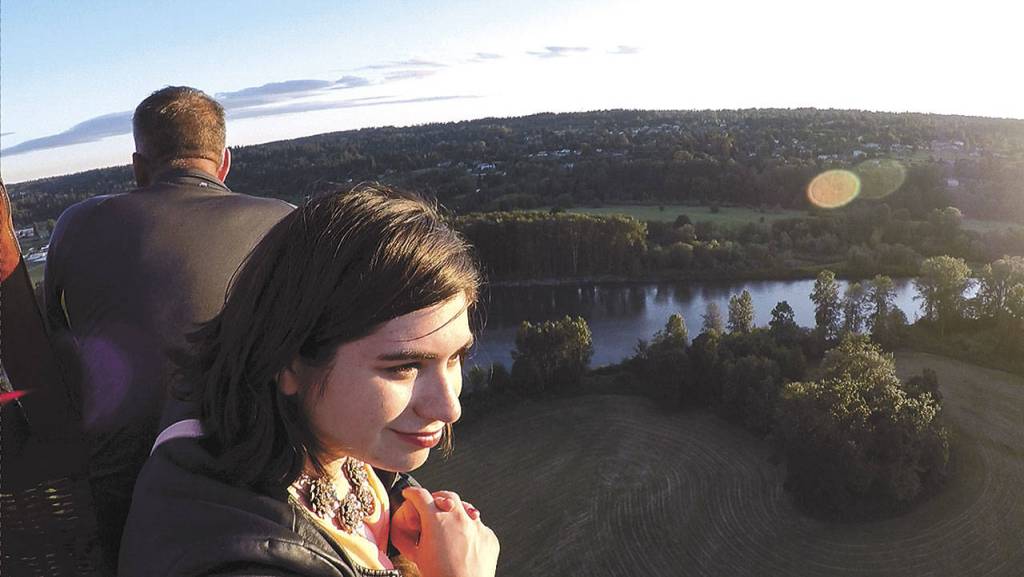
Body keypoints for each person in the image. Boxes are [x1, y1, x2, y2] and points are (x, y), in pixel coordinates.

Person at [119, 185, 499, 577]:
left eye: (456, 357)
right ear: (289, 362)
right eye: (403, 367)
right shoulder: (236, 561)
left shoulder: (309, 435)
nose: (449, 407)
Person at [43, 86, 294, 569]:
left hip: (126, 491)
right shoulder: (285, 223)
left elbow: (56, 341)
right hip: (257, 478)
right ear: (224, 162)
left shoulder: (77, 224)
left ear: (139, 167)